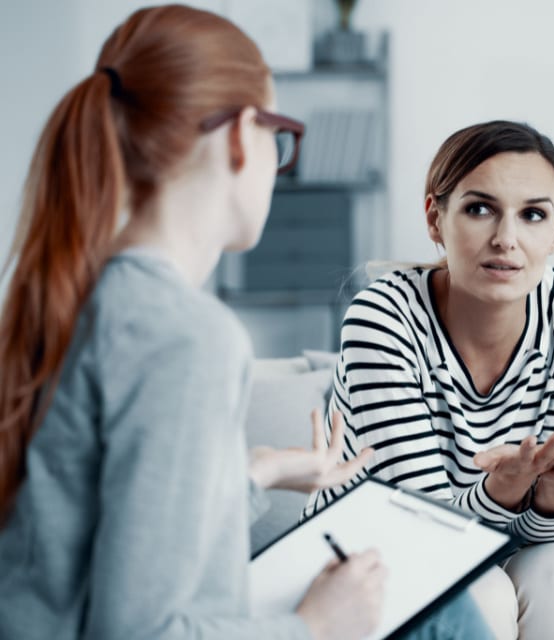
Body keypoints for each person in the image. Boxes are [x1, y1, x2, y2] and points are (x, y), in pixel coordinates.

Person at [0, 6, 490, 640]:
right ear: (239, 135)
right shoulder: (184, 334)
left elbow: (107, 532)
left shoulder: (82, 295)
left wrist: (259, 472)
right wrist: (317, 627)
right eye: (279, 135)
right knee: (441, 612)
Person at [304, 120, 554, 639]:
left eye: (532, 214)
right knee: (484, 590)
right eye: (479, 209)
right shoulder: (383, 316)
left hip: (491, 545)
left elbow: (546, 535)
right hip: (365, 556)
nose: (505, 240)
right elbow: (427, 532)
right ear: (435, 218)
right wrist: (505, 488)